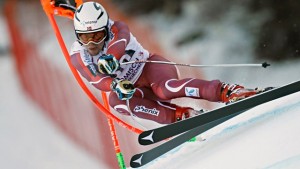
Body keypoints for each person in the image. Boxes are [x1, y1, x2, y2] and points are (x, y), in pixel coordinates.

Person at [70, 1, 259, 124]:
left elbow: (121, 40)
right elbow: (94, 79)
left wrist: (111, 56)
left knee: (164, 89)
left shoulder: (116, 27)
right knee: (116, 102)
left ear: (106, 28)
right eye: (85, 38)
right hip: (133, 88)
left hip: (150, 68)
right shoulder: (78, 55)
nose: (92, 43)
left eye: (97, 35)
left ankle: (227, 91)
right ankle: (180, 117)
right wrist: (115, 85)